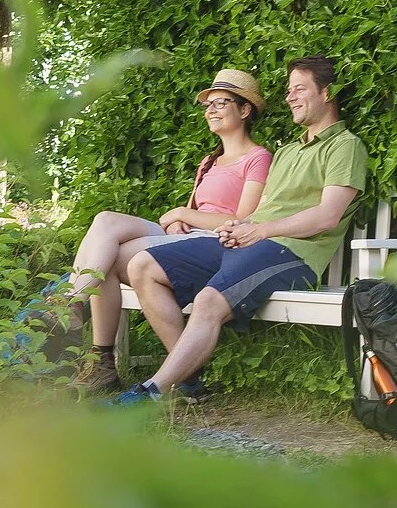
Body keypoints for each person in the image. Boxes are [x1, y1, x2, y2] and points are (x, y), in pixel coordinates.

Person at [111, 56, 366, 405]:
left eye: (300, 89)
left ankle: (152, 393)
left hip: (292, 253)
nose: (290, 97)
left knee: (208, 301)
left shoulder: (345, 146)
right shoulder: (289, 151)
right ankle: (189, 376)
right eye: (288, 90)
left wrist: (260, 231)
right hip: (252, 242)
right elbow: (263, 210)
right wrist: (239, 226)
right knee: (143, 265)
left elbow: (327, 216)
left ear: (327, 93)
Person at [54, 68, 274, 397]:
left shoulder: (258, 158)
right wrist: (176, 221)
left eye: (221, 102)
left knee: (111, 259)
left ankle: (101, 355)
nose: (210, 109)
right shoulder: (209, 161)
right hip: (187, 239)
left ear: (245, 110)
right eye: (207, 104)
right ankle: (74, 308)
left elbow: (242, 220)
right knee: (104, 221)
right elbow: (191, 214)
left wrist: (184, 214)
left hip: (218, 245)